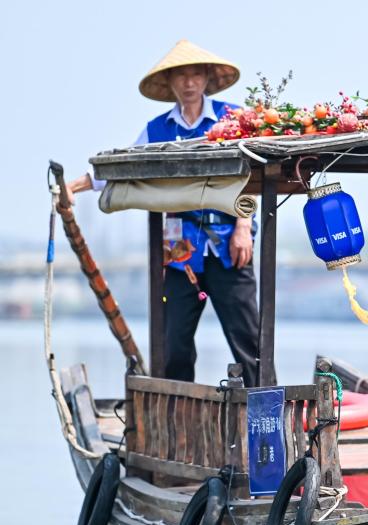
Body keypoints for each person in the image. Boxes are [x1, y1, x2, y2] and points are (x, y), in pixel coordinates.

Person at [66, 39, 271, 387]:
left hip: (229, 245)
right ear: (171, 82)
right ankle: (177, 411)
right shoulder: (157, 129)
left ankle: (265, 410)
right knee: (174, 342)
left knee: (249, 341)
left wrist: (243, 226)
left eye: (195, 75)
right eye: (181, 76)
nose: (189, 83)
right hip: (180, 252)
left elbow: (255, 171)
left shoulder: (233, 118)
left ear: (207, 79)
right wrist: (75, 186)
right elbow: (123, 168)